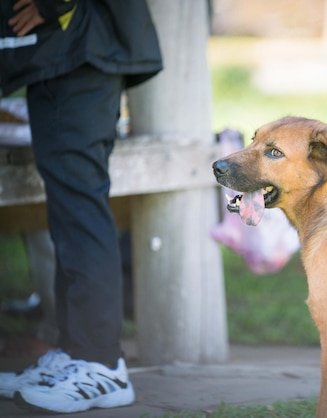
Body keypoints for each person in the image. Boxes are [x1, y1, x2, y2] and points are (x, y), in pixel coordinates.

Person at [0, 0, 162, 413]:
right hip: (63, 50)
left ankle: (101, 365)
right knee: (68, 213)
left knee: (80, 210)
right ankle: (77, 353)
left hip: (81, 43)